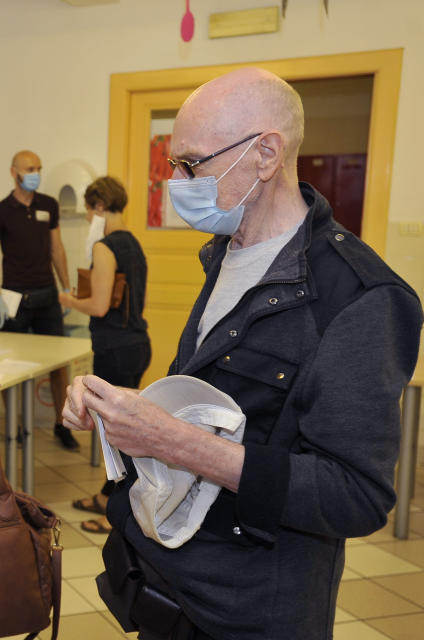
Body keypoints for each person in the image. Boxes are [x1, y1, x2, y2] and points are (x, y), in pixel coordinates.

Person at [63, 67, 422, 639]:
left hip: (252, 607)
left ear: (265, 154)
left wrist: (178, 442)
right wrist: (126, 409)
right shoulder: (224, 256)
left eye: (191, 163)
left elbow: (354, 496)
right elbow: (216, 401)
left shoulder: (359, 298)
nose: (177, 181)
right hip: (172, 581)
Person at [59, 176, 150, 535]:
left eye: (87, 211)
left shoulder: (105, 245)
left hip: (115, 348)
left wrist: (67, 300)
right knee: (119, 429)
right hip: (136, 344)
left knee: (118, 434)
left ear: (97, 207)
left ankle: (119, 511)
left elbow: (98, 306)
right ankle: (106, 493)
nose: (87, 219)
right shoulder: (134, 244)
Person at [0, 150, 77, 450]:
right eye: (29, 168)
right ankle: (16, 426)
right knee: (10, 366)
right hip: (14, 301)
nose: (35, 172)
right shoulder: (0, 211)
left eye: (38, 167)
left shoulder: (48, 205)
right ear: (14, 172)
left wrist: (66, 289)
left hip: (47, 295)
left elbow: (57, 249)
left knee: (60, 365)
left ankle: (62, 425)